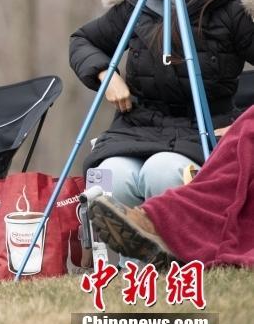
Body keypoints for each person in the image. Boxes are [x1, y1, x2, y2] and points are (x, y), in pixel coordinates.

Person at [71, 0, 254, 210]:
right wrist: (105, 76)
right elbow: (82, 40)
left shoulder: (231, 11)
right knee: (107, 179)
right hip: (135, 130)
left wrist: (243, 126)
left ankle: (177, 254)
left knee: (162, 172)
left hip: (202, 134)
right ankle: (129, 255)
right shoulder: (136, 4)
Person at [88, 102, 254, 270]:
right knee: (111, 175)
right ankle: (130, 266)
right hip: (134, 129)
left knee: (162, 171)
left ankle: (162, 234)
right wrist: (99, 75)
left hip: (197, 132)